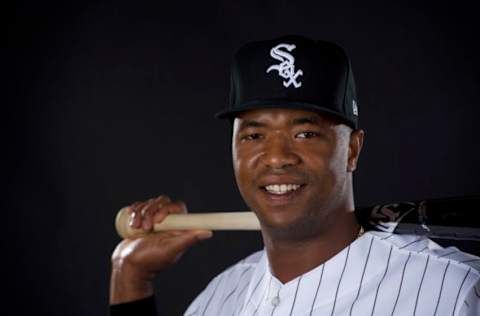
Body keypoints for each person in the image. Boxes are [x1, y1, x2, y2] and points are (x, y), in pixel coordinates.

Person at [109, 35, 480, 315]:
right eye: (254, 135)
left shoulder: (454, 292)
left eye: (305, 133)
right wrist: (130, 279)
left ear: (352, 149)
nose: (277, 157)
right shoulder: (216, 301)